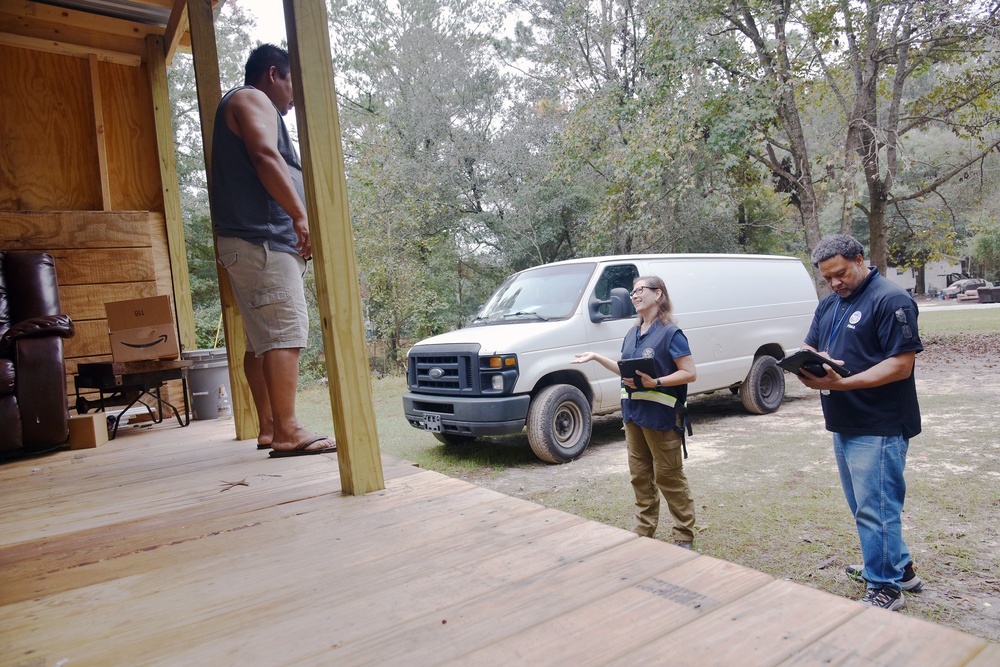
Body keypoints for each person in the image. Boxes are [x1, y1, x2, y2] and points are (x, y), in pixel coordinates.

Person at [210, 44, 336, 457]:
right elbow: (265, 155)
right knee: (284, 334)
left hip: (251, 241)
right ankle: (287, 430)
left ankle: (269, 428)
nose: (294, 97)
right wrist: (300, 216)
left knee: (260, 341)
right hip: (262, 240)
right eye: (293, 85)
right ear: (273, 74)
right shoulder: (252, 98)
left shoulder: (248, 101)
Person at [797, 234, 923, 611]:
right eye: (827, 279)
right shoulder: (830, 305)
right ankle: (899, 569)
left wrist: (844, 382)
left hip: (879, 423)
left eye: (840, 274)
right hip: (844, 420)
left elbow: (902, 364)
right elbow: (812, 347)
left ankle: (885, 587)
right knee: (864, 506)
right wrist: (807, 363)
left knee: (877, 508)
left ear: (859, 259)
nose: (835, 283)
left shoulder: (891, 299)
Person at [572, 276, 697, 547]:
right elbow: (624, 368)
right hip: (633, 415)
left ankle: (683, 535)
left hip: (662, 418)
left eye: (640, 290)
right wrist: (595, 356)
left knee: (668, 476)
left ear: (658, 295)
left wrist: (657, 382)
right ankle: (643, 530)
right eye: (632, 292)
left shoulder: (670, 333)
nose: (634, 295)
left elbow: (690, 373)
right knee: (640, 475)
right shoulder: (632, 333)